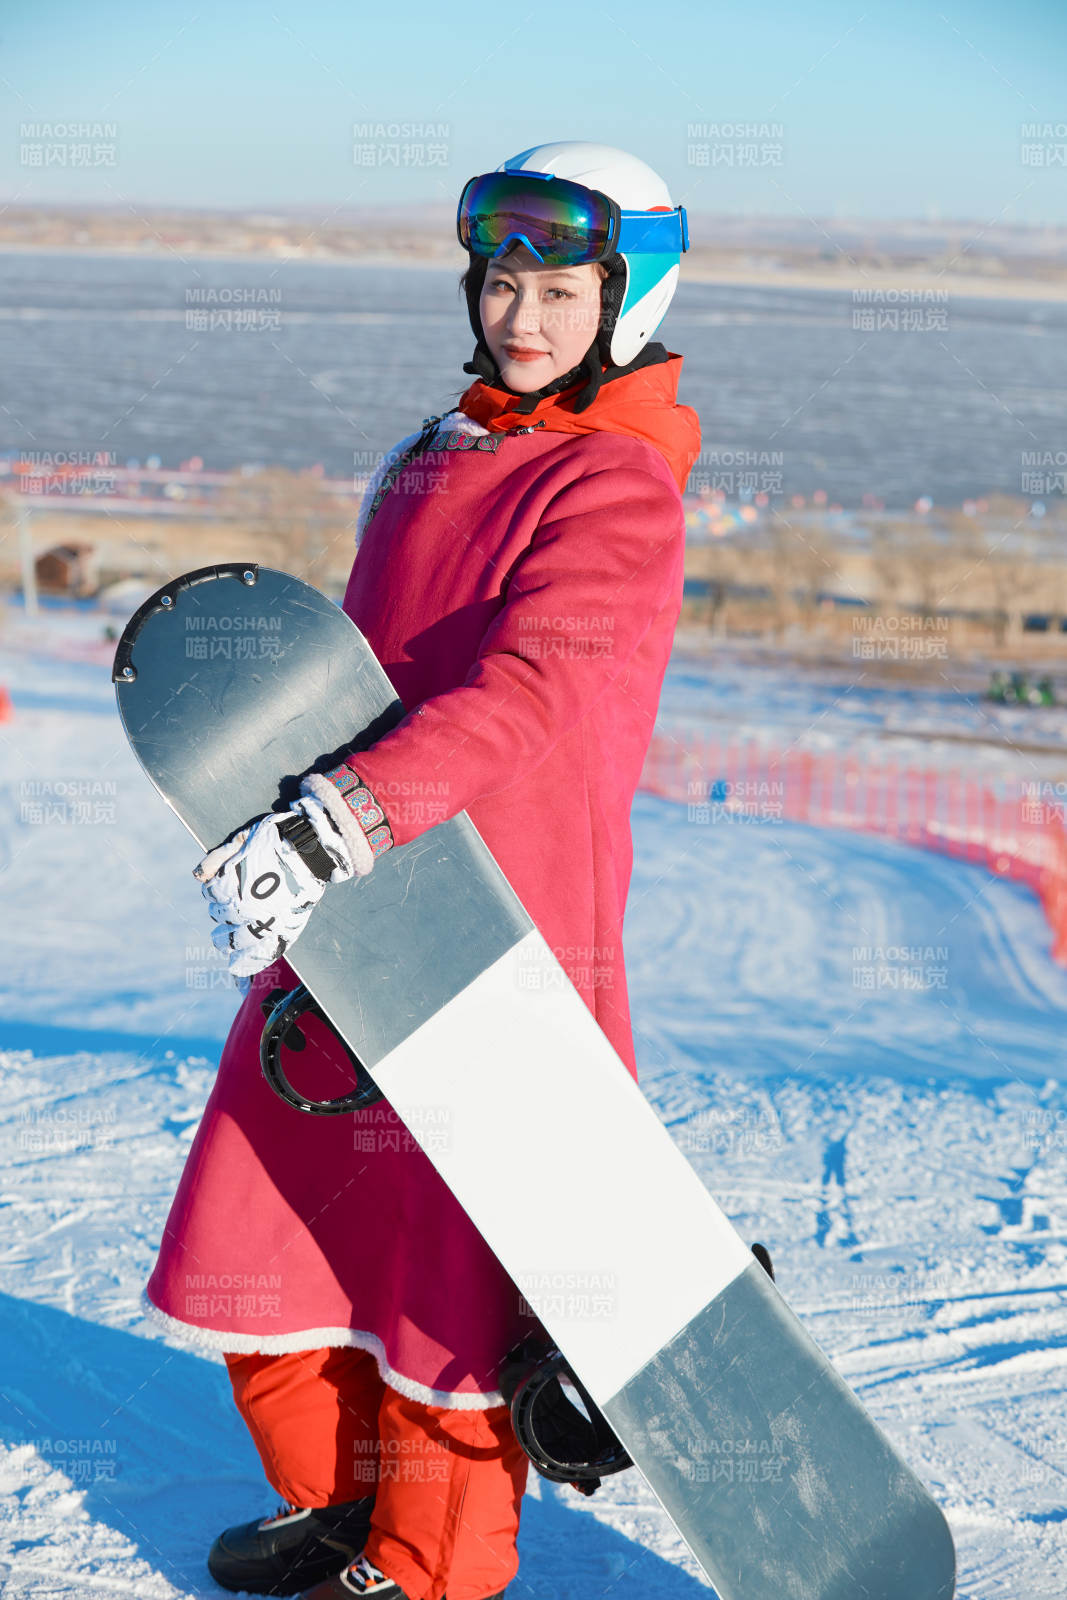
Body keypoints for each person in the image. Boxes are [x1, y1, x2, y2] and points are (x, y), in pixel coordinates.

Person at [144, 139, 701, 1600]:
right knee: (274, 1223)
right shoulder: (437, 453)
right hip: (349, 909)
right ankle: (338, 1503)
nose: (521, 313)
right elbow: (348, 675)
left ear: (623, 302)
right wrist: (259, 799)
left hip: (492, 937)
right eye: (502, 279)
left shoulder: (618, 488)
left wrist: (349, 813)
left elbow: (531, 697)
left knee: (446, 1279)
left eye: (560, 288)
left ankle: (428, 1566)